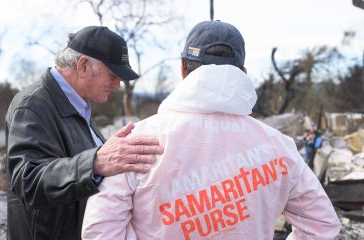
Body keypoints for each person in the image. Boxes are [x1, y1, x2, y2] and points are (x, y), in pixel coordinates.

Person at [82, 21, 340, 239]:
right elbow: (323, 225)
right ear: (243, 72)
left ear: (183, 69)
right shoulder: (278, 145)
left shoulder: (133, 143)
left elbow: (99, 231)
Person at [5, 26, 164, 240]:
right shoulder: (32, 106)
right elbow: (28, 181)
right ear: (83, 66)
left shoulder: (79, 105)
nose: (117, 85)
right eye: (113, 75)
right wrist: (95, 162)